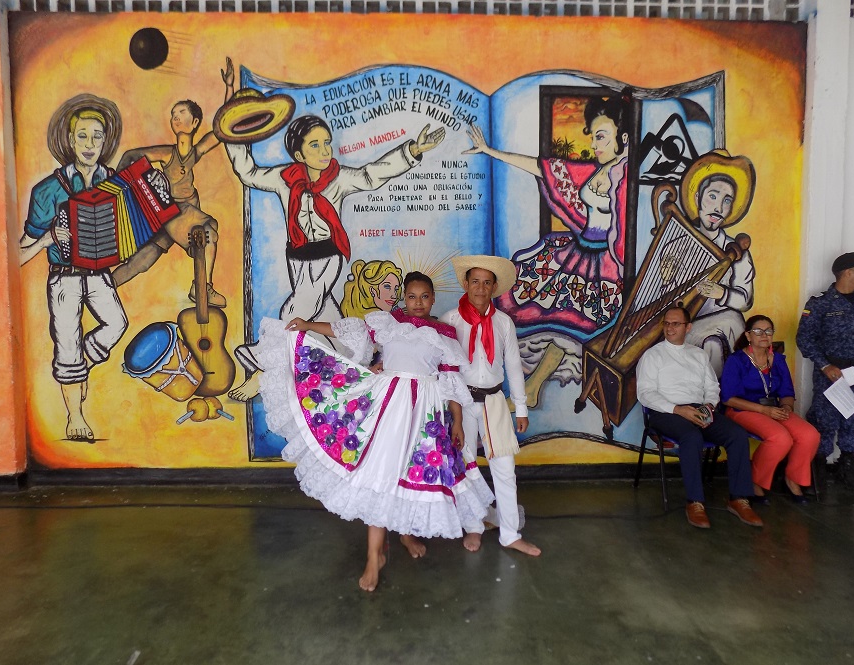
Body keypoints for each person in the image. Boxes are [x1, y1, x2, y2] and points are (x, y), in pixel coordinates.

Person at [257, 271, 493, 591]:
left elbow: (451, 383)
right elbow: (346, 331)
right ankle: (374, 555)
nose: (418, 303)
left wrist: (458, 421)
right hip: (387, 409)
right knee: (382, 473)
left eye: (425, 297)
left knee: (410, 474)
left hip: (425, 414)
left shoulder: (445, 334)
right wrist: (308, 325)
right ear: (404, 298)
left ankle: (405, 534)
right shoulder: (389, 323)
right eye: (412, 296)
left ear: (433, 299)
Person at [224, 63, 445, 401]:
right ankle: (352, 369)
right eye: (315, 145)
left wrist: (412, 151)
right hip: (296, 258)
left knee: (296, 312)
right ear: (299, 153)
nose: (325, 150)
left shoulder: (339, 178)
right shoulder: (284, 178)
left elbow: (371, 174)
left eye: (327, 143)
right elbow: (248, 173)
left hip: (328, 255)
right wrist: (232, 129)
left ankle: (261, 368)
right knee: (328, 319)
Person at [465, 95, 629, 339]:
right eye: (593, 137)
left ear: (623, 138)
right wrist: (491, 152)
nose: (594, 144)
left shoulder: (625, 177)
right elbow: (542, 167)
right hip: (576, 251)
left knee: (580, 325)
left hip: (603, 266)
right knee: (532, 299)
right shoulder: (592, 171)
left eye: (601, 136)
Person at [19, 93, 128, 443]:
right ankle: (75, 416)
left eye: (97, 136)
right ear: (69, 139)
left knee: (117, 323)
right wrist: (47, 239)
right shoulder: (48, 190)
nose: (90, 144)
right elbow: (18, 255)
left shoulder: (115, 184)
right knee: (66, 342)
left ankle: (79, 366)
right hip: (63, 279)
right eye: (83, 136)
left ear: (105, 141)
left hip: (99, 275)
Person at [112, 59, 235, 306]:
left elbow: (223, 129)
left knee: (144, 259)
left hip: (180, 213)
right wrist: (119, 187)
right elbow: (131, 156)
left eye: (181, 114)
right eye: (173, 115)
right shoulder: (168, 153)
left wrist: (229, 88)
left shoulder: (196, 152)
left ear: (195, 122)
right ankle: (202, 288)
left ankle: (104, 286)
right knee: (208, 232)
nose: (176, 118)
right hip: (172, 211)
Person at [441, 255, 541, 556]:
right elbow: (441, 367)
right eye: (475, 281)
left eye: (487, 283)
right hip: (461, 403)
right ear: (466, 284)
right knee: (467, 464)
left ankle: (510, 534)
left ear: (494, 287)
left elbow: (514, 366)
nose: (481, 288)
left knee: (505, 468)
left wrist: (520, 408)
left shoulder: (503, 322)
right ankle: (473, 525)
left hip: (494, 401)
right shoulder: (450, 320)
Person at [636, 305, 763, 529]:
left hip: (699, 409)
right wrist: (678, 409)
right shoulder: (653, 355)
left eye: (676, 324)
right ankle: (695, 502)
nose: (670, 328)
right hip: (665, 412)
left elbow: (712, 387)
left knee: (737, 434)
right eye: (667, 323)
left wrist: (709, 406)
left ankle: (739, 498)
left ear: (688, 327)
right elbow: (645, 394)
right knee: (691, 436)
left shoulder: (698, 354)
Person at [796, 251, 854, 492]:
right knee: (824, 421)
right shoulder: (820, 304)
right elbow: (804, 339)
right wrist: (824, 365)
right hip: (831, 375)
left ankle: (846, 468)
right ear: (848, 273)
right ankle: (817, 470)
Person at [720, 314, 820, 503]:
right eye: (758, 331)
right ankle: (754, 481)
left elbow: (787, 392)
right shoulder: (737, 360)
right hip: (742, 409)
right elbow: (728, 399)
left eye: (768, 331)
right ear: (748, 335)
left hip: (774, 409)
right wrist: (763, 410)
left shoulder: (778, 360)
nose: (764, 335)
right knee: (780, 438)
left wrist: (786, 407)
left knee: (809, 435)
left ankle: (792, 479)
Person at [680, 150, 757, 376]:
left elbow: (745, 299)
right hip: (691, 327)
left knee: (719, 336)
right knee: (706, 342)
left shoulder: (737, 251)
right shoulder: (680, 245)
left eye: (727, 200)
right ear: (697, 198)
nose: (718, 208)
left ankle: (715, 397)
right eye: (712, 196)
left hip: (726, 323)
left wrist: (720, 293)